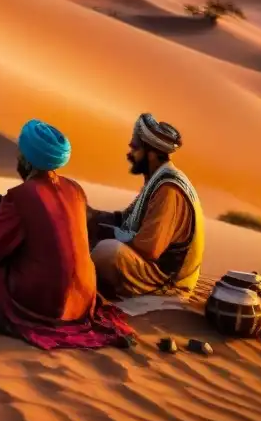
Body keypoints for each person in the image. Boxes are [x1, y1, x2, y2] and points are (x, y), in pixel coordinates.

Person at [0, 119, 134, 350]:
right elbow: (48, 221)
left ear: (27, 160)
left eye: (20, 154)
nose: (17, 159)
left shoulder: (21, 196)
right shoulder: (74, 189)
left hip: (46, 300)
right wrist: (0, 204)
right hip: (83, 298)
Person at [87, 113, 205, 299]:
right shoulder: (158, 180)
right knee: (92, 231)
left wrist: (107, 234)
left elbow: (149, 248)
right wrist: (92, 216)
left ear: (151, 154)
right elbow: (125, 219)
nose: (130, 154)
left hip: (165, 280)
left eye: (135, 148)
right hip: (152, 265)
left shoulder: (168, 189)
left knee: (107, 251)